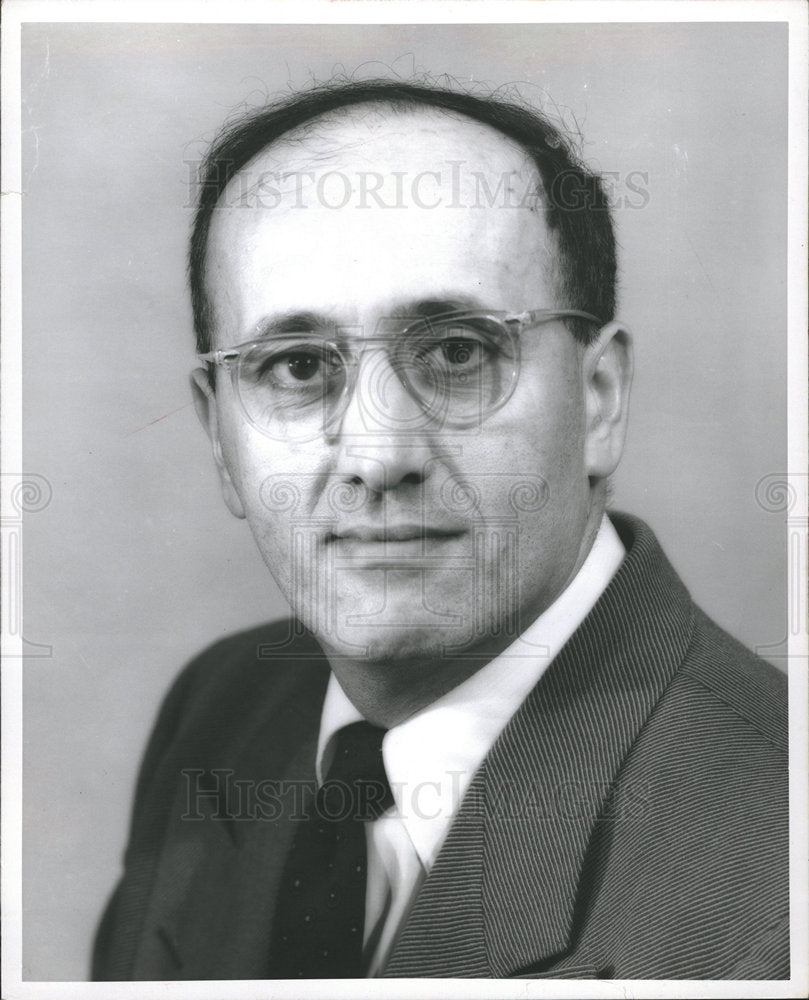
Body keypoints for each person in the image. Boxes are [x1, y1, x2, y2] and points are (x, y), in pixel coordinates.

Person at [92, 79, 788, 981]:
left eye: (458, 352)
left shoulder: (776, 886)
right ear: (217, 435)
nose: (379, 454)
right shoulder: (223, 710)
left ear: (598, 398)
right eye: (297, 366)